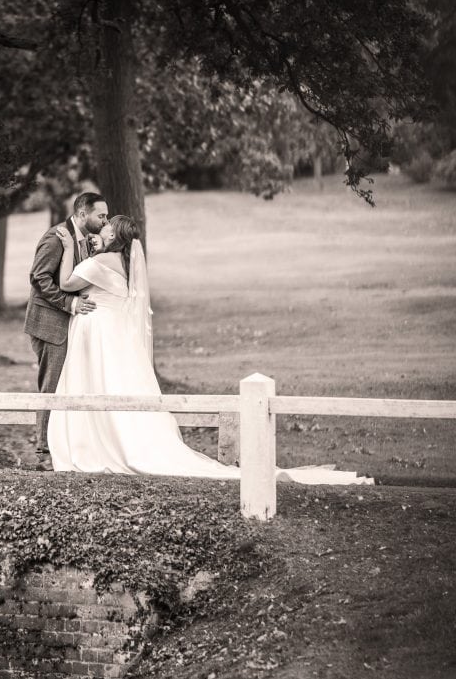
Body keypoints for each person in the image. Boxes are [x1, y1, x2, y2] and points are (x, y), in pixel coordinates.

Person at [47, 215, 373, 485]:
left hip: (99, 336)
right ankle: (111, 441)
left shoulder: (98, 262)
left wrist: (67, 249)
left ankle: (95, 446)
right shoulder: (122, 263)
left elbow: (65, 283)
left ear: (114, 234)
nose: (101, 228)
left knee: (98, 388)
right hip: (115, 339)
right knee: (113, 387)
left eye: (107, 226)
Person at [24, 192, 110, 469]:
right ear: (83, 214)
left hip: (69, 325)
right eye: (101, 215)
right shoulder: (56, 237)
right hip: (50, 324)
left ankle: (63, 446)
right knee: (51, 386)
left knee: (66, 384)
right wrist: (69, 303)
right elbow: (39, 278)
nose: (105, 220)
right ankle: (42, 453)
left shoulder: (85, 241)